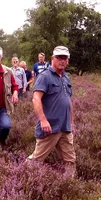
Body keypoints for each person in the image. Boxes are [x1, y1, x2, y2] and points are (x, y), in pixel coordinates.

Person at [28, 46, 75, 178]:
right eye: (59, 57)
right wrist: (43, 120)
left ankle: (69, 185)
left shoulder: (66, 78)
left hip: (65, 128)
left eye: (64, 58)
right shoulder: (45, 76)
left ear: (68, 60)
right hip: (50, 127)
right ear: (52, 58)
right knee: (36, 159)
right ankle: (21, 177)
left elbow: (68, 101)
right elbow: (36, 99)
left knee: (70, 160)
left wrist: (72, 123)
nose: (62, 60)